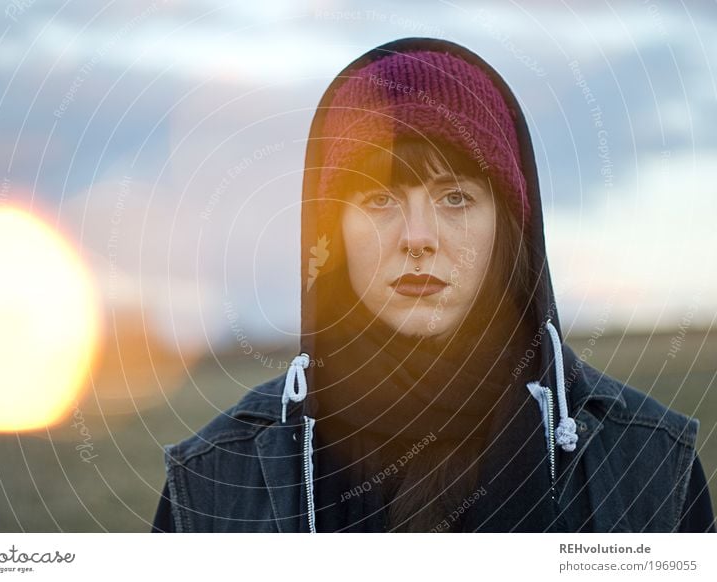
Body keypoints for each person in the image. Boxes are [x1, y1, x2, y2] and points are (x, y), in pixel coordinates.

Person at [151, 37, 715, 533]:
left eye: (455, 197)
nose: (418, 238)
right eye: (379, 199)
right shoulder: (217, 480)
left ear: (509, 229)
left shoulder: (647, 464)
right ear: (332, 232)